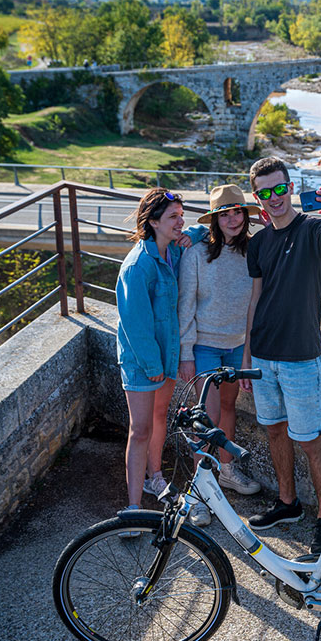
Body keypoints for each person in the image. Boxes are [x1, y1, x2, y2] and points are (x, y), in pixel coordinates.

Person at [240, 156, 321, 553]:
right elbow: (255, 301)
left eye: (280, 188)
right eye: (265, 192)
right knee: (273, 430)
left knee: (310, 440)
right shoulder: (258, 243)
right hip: (264, 355)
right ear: (258, 197)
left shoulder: (312, 228)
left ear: (290, 187)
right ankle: (287, 503)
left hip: (301, 357)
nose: (275, 198)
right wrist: (247, 358)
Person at [178, 184, 263, 526]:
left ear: (245, 215)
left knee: (228, 409)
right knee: (206, 418)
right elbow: (185, 305)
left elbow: (258, 305)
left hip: (239, 346)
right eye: (224, 214)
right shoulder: (197, 252)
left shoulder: (254, 251)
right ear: (214, 219)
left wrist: (250, 354)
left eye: (238, 212)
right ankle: (198, 493)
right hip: (205, 346)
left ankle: (226, 470)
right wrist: (186, 353)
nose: (232, 219)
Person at [116, 188, 205, 515]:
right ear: (153, 222)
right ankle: (134, 505)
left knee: (158, 417)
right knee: (140, 429)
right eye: (173, 217)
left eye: (182, 215)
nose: (181, 221)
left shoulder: (174, 251)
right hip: (143, 361)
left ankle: (156, 477)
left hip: (166, 355)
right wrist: (152, 365)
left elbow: (205, 229)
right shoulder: (138, 266)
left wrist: (188, 233)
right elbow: (134, 325)